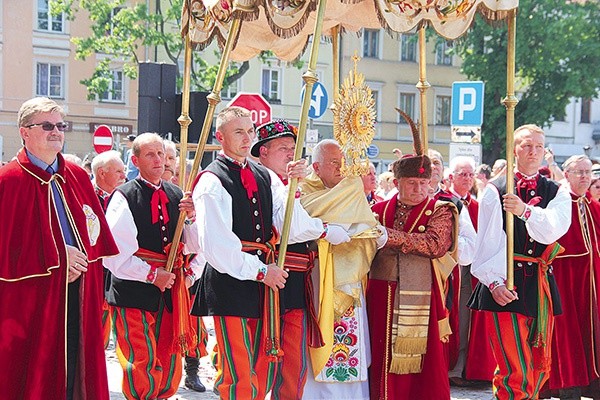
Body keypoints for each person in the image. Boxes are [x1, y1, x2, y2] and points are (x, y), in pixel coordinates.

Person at [191, 108, 346, 400]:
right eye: (239, 132)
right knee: (239, 373)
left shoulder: (265, 176)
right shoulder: (212, 181)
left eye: (250, 131)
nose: (246, 137)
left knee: (262, 368)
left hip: (261, 286)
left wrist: (294, 187)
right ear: (220, 137)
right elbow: (216, 247)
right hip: (231, 283)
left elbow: (289, 223)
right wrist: (262, 271)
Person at [0, 97, 119, 399]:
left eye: (61, 126)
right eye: (47, 126)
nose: (56, 132)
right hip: (33, 301)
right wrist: (56, 256)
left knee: (77, 372)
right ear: (24, 131)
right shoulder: (8, 181)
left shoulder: (78, 177)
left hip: (79, 294)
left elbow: (94, 235)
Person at [468, 124, 572, 399]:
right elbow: (487, 243)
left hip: (539, 283)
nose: (533, 151)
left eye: (539, 146)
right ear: (514, 149)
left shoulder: (557, 190)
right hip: (505, 280)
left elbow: (554, 228)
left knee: (539, 363)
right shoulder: (495, 189)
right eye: (527, 145)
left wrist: (525, 211)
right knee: (514, 366)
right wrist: (493, 283)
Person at [251, 120, 351, 399]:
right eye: (283, 148)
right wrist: (327, 230)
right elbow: (290, 225)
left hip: (296, 279)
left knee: (294, 354)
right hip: (271, 276)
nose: (290, 155)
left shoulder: (286, 182)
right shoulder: (263, 180)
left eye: (293, 149)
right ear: (263, 153)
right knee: (265, 351)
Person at [104, 132, 200, 400]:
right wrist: (150, 274)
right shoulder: (124, 196)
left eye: (162, 154)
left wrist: (191, 218)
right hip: (133, 290)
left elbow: (193, 245)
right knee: (140, 358)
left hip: (169, 290)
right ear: (135, 160)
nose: (159, 160)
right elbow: (114, 255)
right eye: (150, 154)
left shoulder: (177, 194)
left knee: (168, 357)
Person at [368, 153, 458, 399]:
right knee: (380, 354)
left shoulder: (440, 210)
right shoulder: (376, 210)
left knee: (425, 364)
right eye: (411, 183)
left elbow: (435, 244)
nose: (419, 188)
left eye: (423, 183)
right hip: (379, 292)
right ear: (396, 183)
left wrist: (390, 237)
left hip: (422, 296)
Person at [300, 139, 383, 400]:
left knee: (349, 344)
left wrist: (365, 233)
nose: (340, 168)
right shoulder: (302, 192)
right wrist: (326, 230)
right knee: (316, 341)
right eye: (333, 163)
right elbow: (299, 224)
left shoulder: (352, 189)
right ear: (316, 166)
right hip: (316, 277)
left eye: (343, 163)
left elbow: (365, 227)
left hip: (350, 280)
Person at [541, 155, 600, 399]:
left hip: (592, 281)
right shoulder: (559, 204)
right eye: (579, 172)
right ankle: (567, 383)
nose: (585, 177)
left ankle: (592, 381)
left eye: (588, 172)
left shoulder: (593, 205)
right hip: (566, 279)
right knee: (567, 330)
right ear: (566, 175)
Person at [447, 156, 496, 384]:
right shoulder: (445, 203)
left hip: (474, 273)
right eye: (462, 174)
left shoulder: (477, 206)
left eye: (470, 174)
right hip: (450, 270)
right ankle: (450, 368)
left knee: (468, 319)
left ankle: (465, 367)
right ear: (451, 177)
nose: (467, 179)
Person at [91, 150, 126, 350]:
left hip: (118, 268)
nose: (124, 176)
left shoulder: (123, 196)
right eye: (118, 171)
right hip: (95, 269)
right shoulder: (84, 195)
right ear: (102, 173)